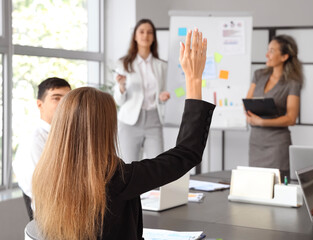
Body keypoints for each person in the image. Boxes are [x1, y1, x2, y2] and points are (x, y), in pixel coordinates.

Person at [32, 28, 213, 240]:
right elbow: (186, 153)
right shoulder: (117, 180)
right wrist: (193, 80)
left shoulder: (44, 176)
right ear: (104, 130)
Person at [245, 35, 303, 181]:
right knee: (256, 189)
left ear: (284, 56)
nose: (267, 55)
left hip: (277, 146)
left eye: (271, 51)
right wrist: (249, 115)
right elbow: (247, 102)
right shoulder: (258, 75)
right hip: (256, 143)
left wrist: (262, 122)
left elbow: (291, 118)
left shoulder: (292, 83)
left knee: (277, 192)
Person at [12, 77, 71, 220]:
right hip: (52, 220)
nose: (64, 104)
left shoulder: (71, 136)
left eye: (68, 99)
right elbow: (44, 192)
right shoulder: (33, 142)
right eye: (56, 98)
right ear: (40, 105)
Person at [113, 19, 170, 163]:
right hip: (129, 121)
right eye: (142, 32)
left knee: (157, 166)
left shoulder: (161, 65)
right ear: (135, 36)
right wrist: (121, 86)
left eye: (150, 32)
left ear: (154, 37)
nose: (146, 35)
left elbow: (162, 92)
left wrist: (162, 97)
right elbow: (118, 100)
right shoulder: (124, 63)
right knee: (127, 166)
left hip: (154, 119)